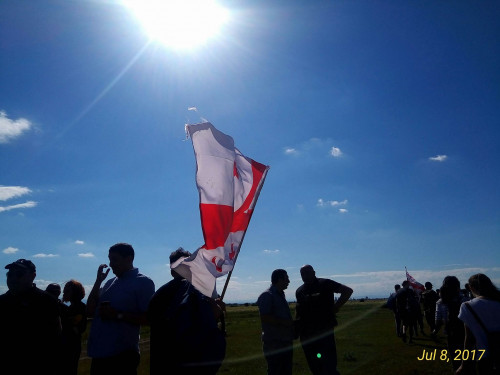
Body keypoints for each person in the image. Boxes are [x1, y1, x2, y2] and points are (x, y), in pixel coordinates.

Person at [148, 248, 226, 375]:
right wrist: (217, 309)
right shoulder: (196, 290)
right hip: (192, 361)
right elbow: (208, 319)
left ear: (172, 270)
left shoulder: (158, 294)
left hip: (162, 361)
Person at [86, 243, 155, 375]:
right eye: (109, 259)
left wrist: (117, 315)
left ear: (129, 259)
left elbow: (150, 318)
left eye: (114, 259)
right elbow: (89, 311)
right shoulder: (109, 282)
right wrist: (98, 281)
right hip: (99, 354)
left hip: (122, 355)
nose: (110, 264)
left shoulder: (143, 282)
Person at [0, 259, 61, 375]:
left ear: (33, 276)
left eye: (19, 274)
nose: (13, 278)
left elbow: (56, 336)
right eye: (10, 274)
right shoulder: (2, 302)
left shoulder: (47, 301)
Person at [295, 265, 353, 375]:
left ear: (314, 272)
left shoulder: (325, 283)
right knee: (314, 367)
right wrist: (296, 329)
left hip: (324, 333)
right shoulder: (300, 291)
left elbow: (347, 291)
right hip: (306, 335)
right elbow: (298, 312)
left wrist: (336, 307)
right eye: (302, 274)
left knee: (329, 366)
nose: (305, 276)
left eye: (307, 272)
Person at [456, 274, 500, 375]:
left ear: (471, 287)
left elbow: (469, 339)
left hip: (484, 356)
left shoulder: (467, 306)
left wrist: (464, 364)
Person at [257, 269, 294, 375]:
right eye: (287, 278)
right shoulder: (267, 295)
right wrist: (285, 322)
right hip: (274, 343)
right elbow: (264, 317)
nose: (289, 281)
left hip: (285, 342)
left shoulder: (280, 295)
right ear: (279, 279)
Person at [432, 275, 469, 372]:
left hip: (451, 333)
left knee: (455, 361)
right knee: (469, 361)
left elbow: (438, 320)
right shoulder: (465, 301)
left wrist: (435, 331)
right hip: (466, 333)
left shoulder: (440, 302)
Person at [61, 279, 87, 375]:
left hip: (71, 346)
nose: (64, 293)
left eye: (67, 291)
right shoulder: (72, 307)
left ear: (75, 293)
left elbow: (78, 329)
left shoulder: (79, 308)